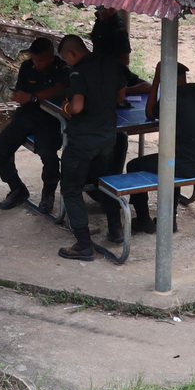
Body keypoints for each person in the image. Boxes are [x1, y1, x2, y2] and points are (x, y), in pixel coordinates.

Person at [122, 61, 195, 235]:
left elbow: (150, 113)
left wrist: (156, 80)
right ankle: (181, 216)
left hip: (184, 164)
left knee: (135, 165)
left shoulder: (171, 98)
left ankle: (143, 220)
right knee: (171, 159)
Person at [55, 33, 127, 261]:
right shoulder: (112, 64)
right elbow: (121, 96)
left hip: (83, 140)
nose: (67, 64)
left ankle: (84, 245)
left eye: (66, 59)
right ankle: (115, 230)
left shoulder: (78, 72)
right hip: (107, 137)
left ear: (73, 53)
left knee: (71, 188)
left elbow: (77, 106)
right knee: (103, 182)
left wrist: (65, 107)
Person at [0, 36, 66, 212]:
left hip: (51, 118)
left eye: (40, 60)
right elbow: (21, 91)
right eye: (33, 59)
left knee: (49, 155)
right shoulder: (27, 66)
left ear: (51, 56)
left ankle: (48, 192)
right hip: (27, 115)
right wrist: (19, 96)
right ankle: (17, 188)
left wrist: (33, 96)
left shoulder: (61, 68)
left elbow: (60, 89)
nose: (36, 64)